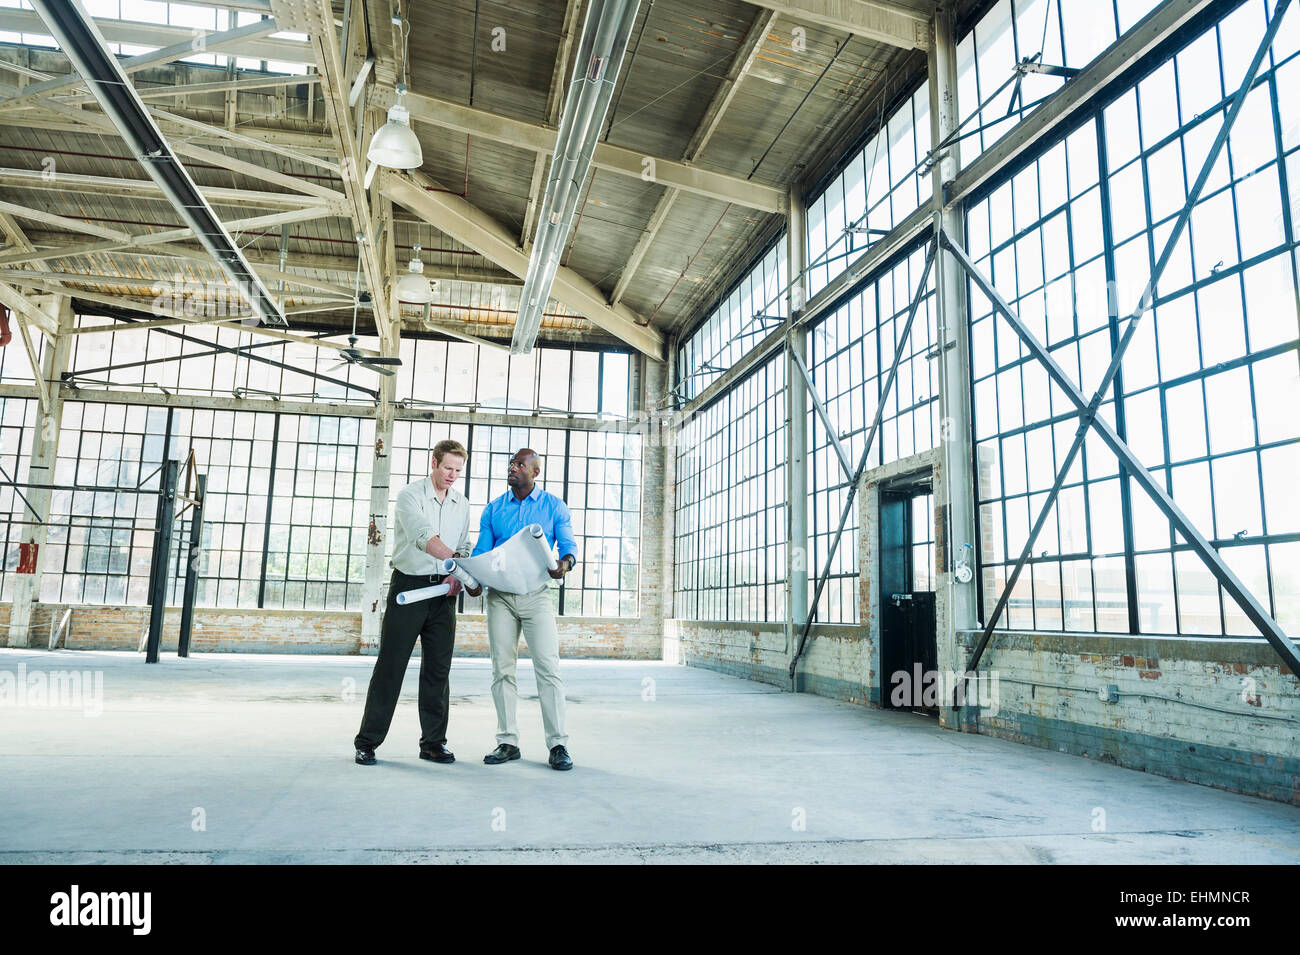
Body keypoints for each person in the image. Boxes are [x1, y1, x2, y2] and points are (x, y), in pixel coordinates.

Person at [354, 439, 471, 766]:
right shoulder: (409, 496)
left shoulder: (461, 504)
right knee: (391, 666)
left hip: (444, 594)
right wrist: (457, 565)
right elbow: (425, 538)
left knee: (438, 670)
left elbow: (464, 544)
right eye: (448, 467)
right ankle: (367, 742)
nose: (452, 475)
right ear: (433, 462)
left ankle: (433, 743)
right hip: (410, 588)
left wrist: (457, 573)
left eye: (458, 470)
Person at [472, 448, 578, 771]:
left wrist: (564, 564)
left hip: (536, 595)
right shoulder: (493, 510)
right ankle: (508, 742)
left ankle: (558, 744)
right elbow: (481, 552)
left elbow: (569, 548)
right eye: (511, 463)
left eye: (520, 464)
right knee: (502, 669)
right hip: (500, 598)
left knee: (548, 668)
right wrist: (472, 577)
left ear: (536, 472)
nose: (513, 468)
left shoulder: (554, 507)